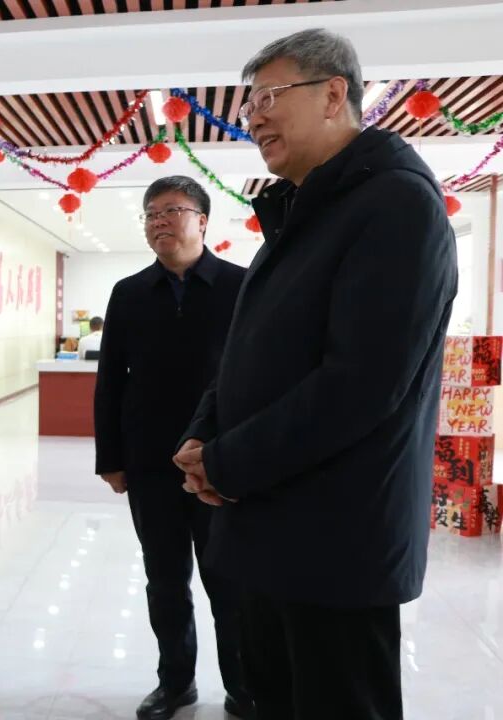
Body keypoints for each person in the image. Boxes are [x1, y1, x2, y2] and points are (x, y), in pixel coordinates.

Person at [173, 29, 458, 720]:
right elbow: (247, 351)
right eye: (250, 106)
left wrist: (227, 462)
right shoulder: (302, 213)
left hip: (336, 545)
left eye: (270, 97)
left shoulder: (396, 206)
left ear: (334, 95)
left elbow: (360, 385)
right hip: (269, 529)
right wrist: (204, 433)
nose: (254, 118)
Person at [93, 176, 252, 720]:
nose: (159, 221)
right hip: (150, 462)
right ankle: (175, 682)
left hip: (221, 460)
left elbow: (259, 374)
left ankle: (244, 686)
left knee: (229, 581)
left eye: (172, 210)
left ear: (202, 220)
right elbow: (110, 380)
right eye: (151, 213)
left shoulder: (241, 285)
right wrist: (111, 458)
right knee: (164, 581)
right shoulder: (129, 292)